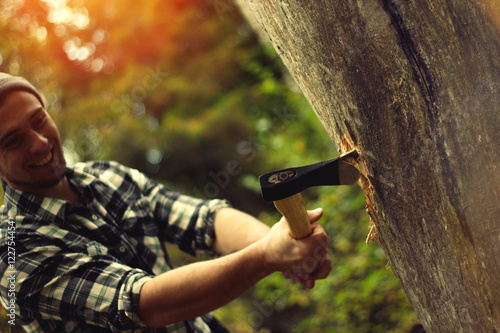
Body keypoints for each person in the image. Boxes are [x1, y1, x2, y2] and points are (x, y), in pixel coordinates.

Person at [0, 72, 332, 332]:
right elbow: (144, 304)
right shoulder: (11, 253)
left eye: (38, 119)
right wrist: (268, 255)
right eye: (14, 140)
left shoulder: (107, 177)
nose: (40, 143)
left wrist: (286, 247)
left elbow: (203, 220)